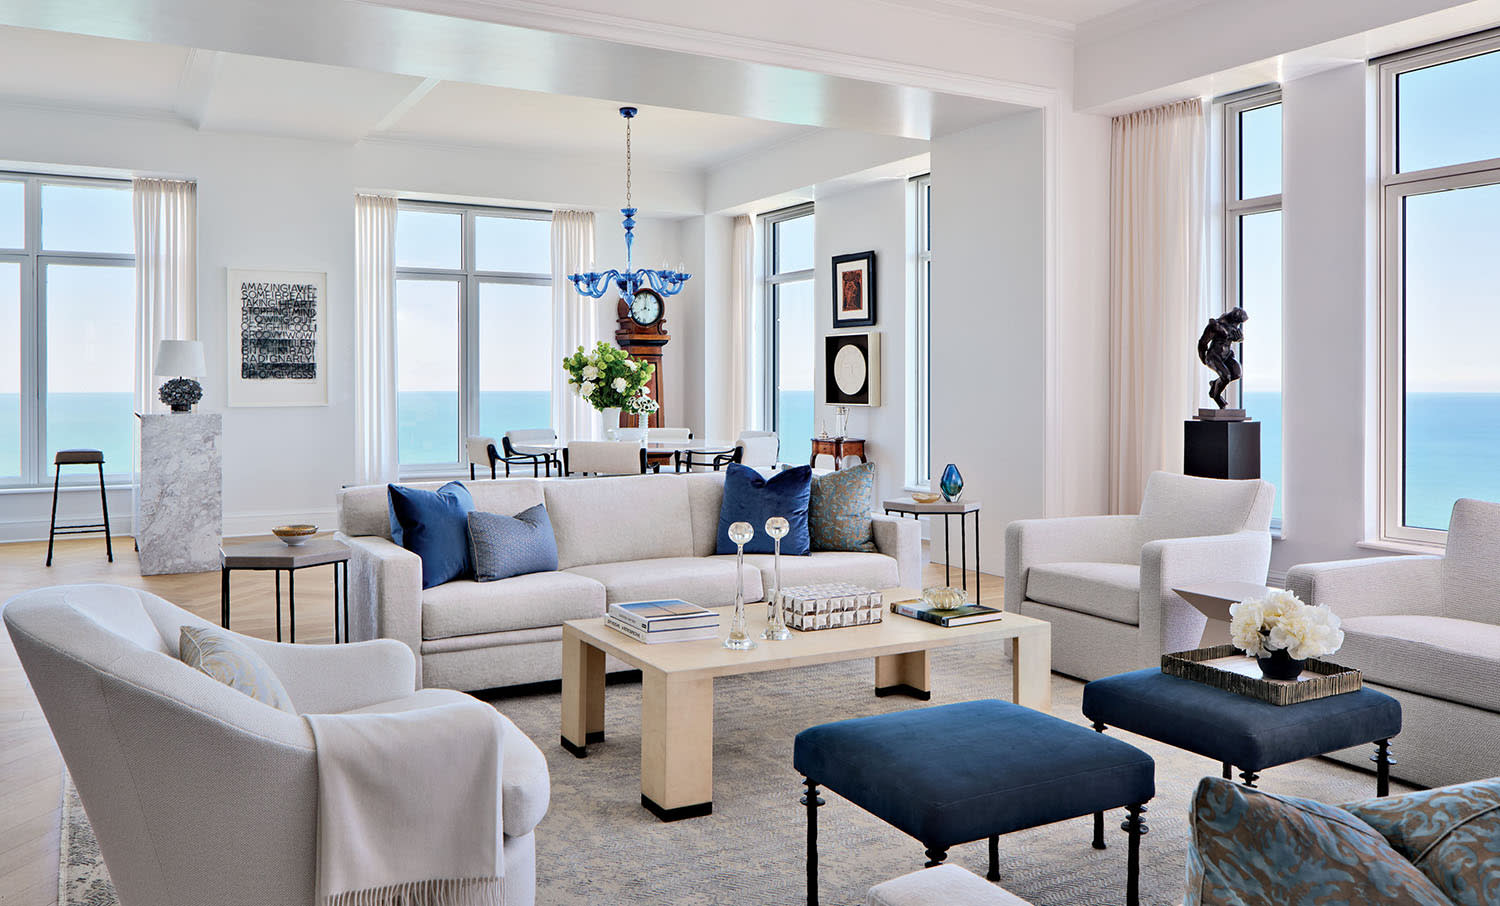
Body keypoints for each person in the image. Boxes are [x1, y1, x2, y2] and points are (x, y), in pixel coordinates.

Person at [1198, 307, 1248, 409]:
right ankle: (1217, 397)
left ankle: (1215, 384)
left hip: (1227, 355)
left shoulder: (1234, 327)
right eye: (1237, 322)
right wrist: (1202, 356)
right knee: (1226, 377)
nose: (1237, 325)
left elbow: (1239, 337)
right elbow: (1203, 342)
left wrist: (1239, 338)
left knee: (1237, 373)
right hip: (1214, 356)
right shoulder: (1216, 326)